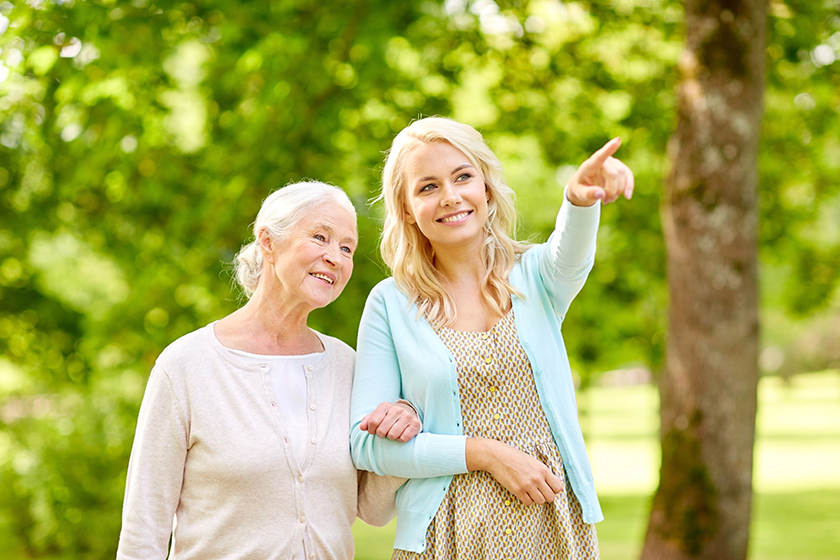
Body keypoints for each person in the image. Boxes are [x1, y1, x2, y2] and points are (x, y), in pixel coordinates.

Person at [349, 117, 634, 559]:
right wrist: (484, 453)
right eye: (427, 187)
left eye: (463, 177)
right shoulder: (390, 303)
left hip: (553, 530)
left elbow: (573, 250)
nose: (450, 196)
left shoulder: (539, 276)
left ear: (485, 188)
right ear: (406, 208)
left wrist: (579, 198)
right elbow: (367, 445)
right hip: (444, 538)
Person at [117, 181, 421, 560]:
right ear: (268, 241)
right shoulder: (186, 366)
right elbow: (144, 528)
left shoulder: (348, 366)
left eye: (347, 248)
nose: (336, 257)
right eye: (320, 237)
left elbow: (372, 510)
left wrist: (403, 430)